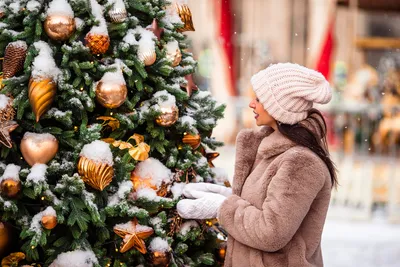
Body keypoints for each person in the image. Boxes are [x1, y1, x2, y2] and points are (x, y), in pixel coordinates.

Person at [177, 63, 337, 267]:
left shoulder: (300, 162)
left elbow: (271, 232)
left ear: (280, 107)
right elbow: (260, 206)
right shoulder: (272, 151)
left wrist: (221, 207)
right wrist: (225, 196)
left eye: (259, 99)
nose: (252, 104)